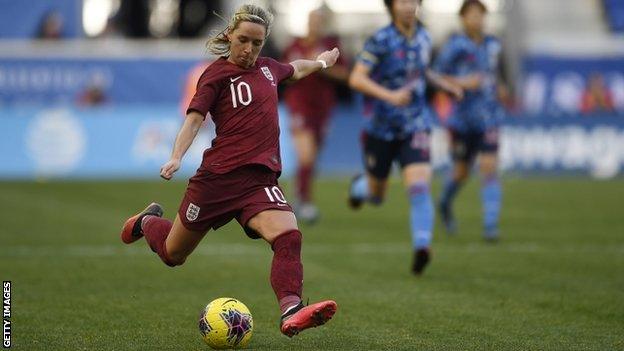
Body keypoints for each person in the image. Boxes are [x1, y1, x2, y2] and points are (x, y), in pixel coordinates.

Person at [119, 4, 340, 338]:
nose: (249, 49)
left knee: (289, 236)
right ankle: (146, 221)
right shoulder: (216, 75)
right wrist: (177, 156)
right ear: (229, 37)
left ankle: (291, 310)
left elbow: (296, 68)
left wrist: (322, 62)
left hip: (258, 181)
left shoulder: (268, 69)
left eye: (257, 43)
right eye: (243, 41)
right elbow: (194, 119)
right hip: (217, 181)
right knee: (173, 254)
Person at [347, 0, 463, 275]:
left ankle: (422, 246)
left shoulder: (424, 36)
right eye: (402, 1)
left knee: (419, 186)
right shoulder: (380, 40)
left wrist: (445, 85)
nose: (409, 6)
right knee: (377, 196)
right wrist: (390, 96)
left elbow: (422, 72)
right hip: (381, 129)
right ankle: (360, 187)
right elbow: (356, 79)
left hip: (416, 125)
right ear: (391, 6)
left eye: (413, 0)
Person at [433, 0, 505, 241]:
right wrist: (463, 83)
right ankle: (444, 202)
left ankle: (490, 226)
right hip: (462, 119)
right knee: (461, 172)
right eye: (472, 15)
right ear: (463, 18)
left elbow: (498, 74)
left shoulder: (494, 44)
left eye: (481, 15)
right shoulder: (455, 46)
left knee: (489, 167)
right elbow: (435, 75)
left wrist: (503, 87)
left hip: (489, 117)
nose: (477, 19)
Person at [281, 8, 349, 223]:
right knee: (306, 154)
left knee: (312, 158)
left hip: (322, 108)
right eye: (312, 21)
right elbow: (283, 72)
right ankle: (304, 202)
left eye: (319, 22)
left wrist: (322, 66)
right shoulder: (295, 46)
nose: (315, 25)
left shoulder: (331, 47)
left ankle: (299, 193)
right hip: (299, 105)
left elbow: (345, 75)